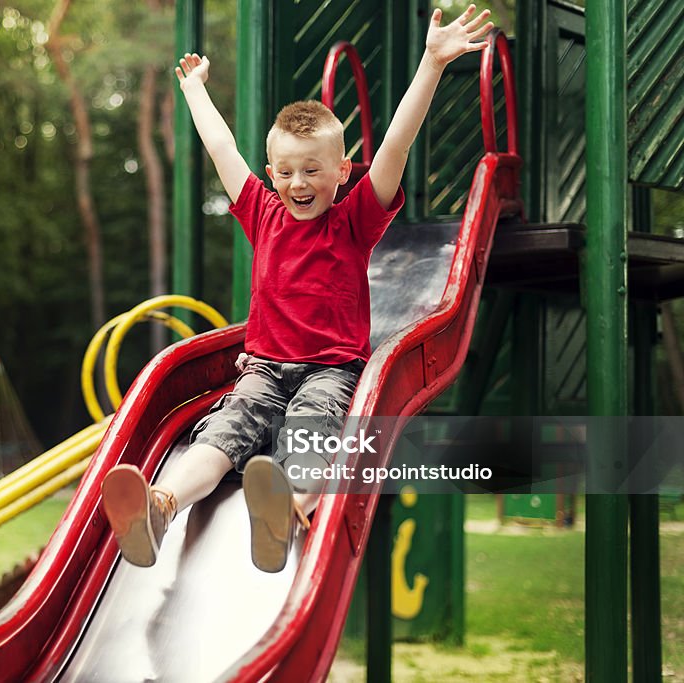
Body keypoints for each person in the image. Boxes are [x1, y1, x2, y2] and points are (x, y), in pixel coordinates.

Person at [101, 6, 494, 572]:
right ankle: (161, 507)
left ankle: (287, 511)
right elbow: (221, 149)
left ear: (341, 172)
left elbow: (396, 148)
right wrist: (193, 91)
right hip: (262, 369)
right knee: (221, 436)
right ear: (270, 170)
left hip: (330, 371)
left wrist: (431, 63)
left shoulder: (355, 218)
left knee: (312, 435)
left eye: (313, 170)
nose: (297, 182)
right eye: (284, 171)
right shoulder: (262, 212)